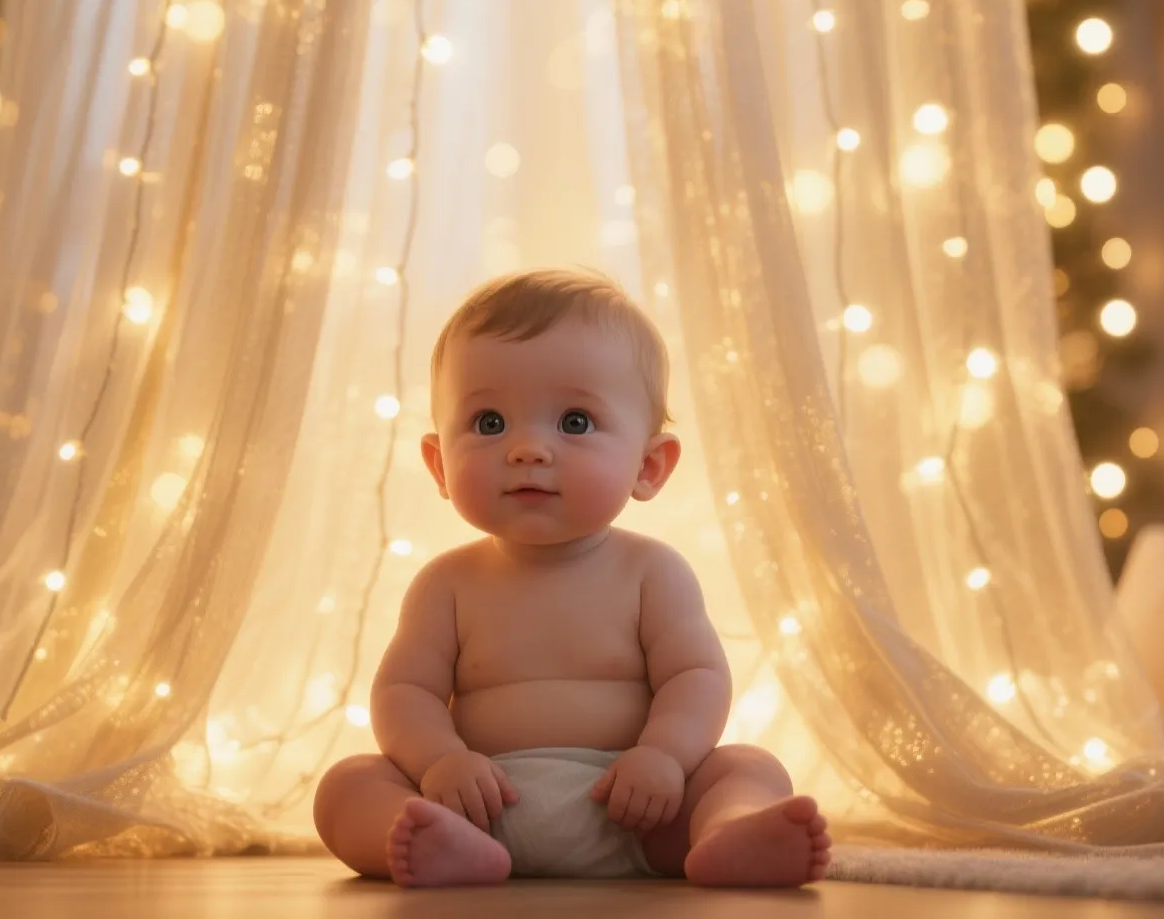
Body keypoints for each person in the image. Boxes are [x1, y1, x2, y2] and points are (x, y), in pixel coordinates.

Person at [312, 268, 831, 887]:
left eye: (575, 422)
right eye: (489, 423)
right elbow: (406, 692)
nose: (527, 449)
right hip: (477, 804)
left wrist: (664, 757)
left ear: (649, 466)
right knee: (347, 785)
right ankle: (434, 845)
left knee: (748, 766)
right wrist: (441, 762)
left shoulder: (653, 573)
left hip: (636, 807)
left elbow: (694, 676)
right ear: (438, 464)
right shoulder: (445, 584)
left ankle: (726, 832)